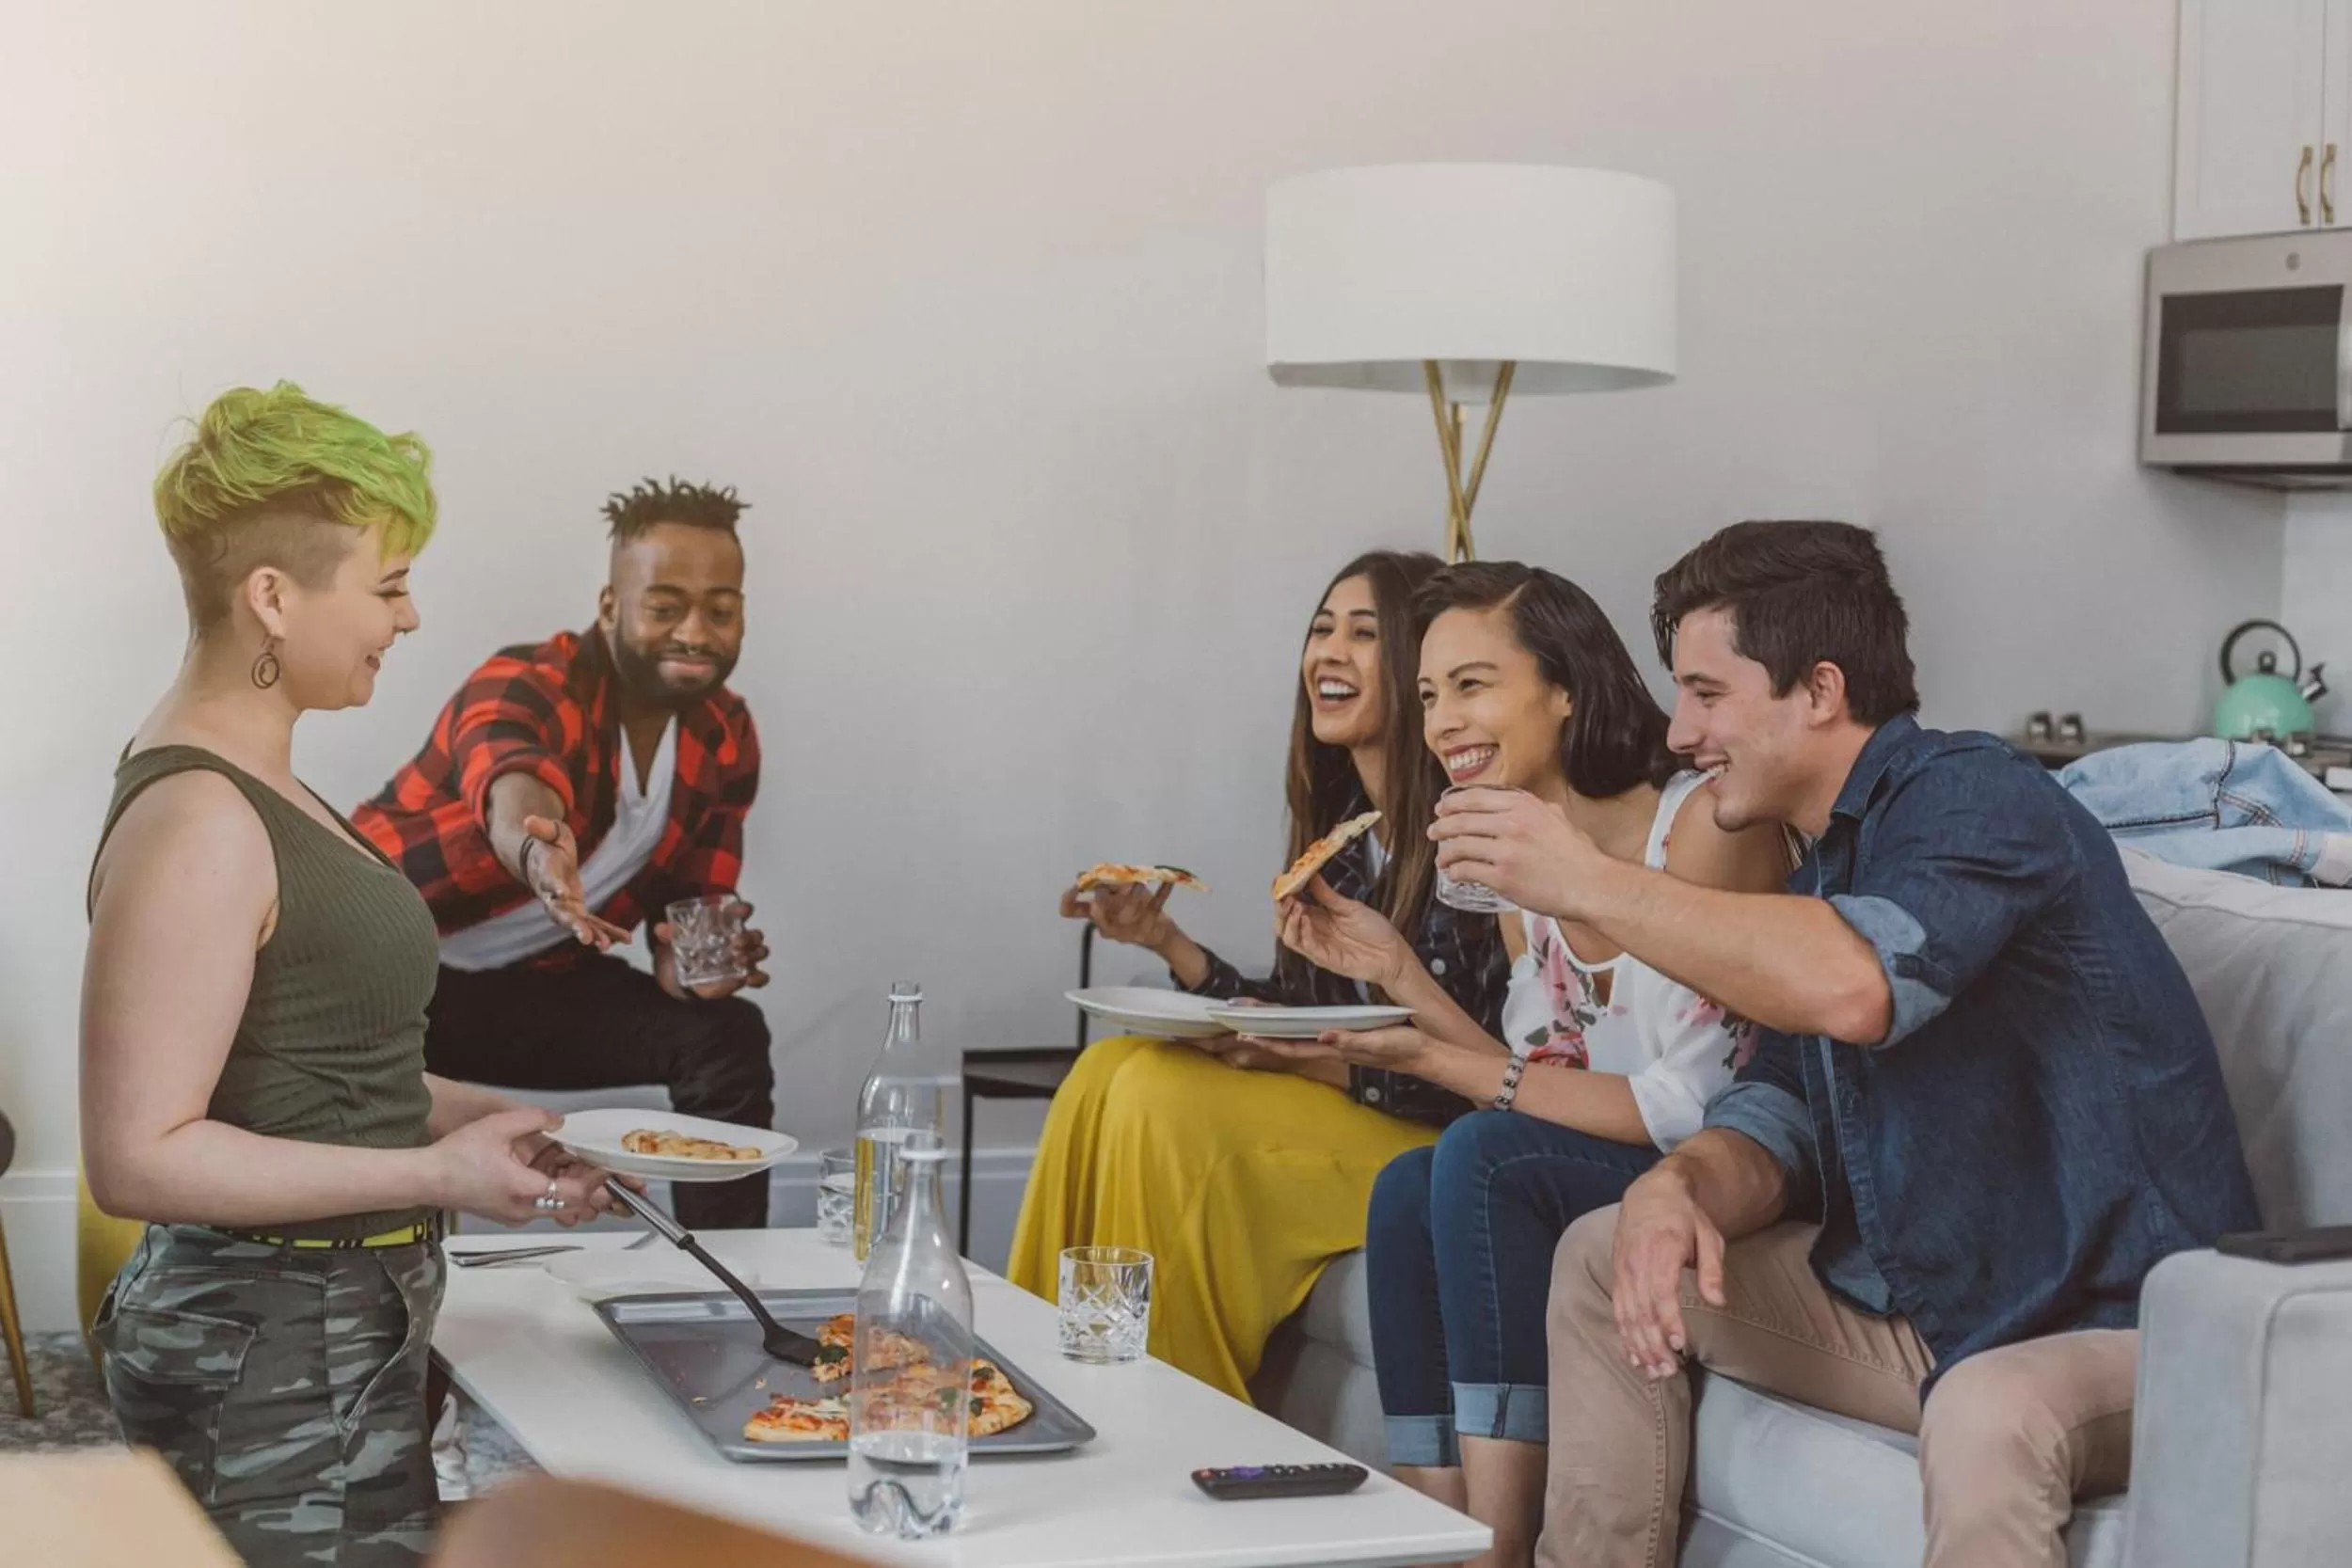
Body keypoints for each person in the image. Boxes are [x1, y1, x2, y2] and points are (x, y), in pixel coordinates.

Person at [1427, 521, 2259, 1568]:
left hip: (2128, 1322)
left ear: (1819, 690)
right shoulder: (1820, 860)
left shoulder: (1974, 796)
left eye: (1707, 693)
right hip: (1938, 1306)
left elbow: (1857, 985)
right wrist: (1679, 1187)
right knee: (1606, 1249)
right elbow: (1780, 1106)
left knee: (1987, 1409)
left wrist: (1584, 878)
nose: (1679, 732)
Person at [82, 383, 624, 1566]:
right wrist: (438, 1168)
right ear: (272, 597)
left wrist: (485, 1120)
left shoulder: (262, 788)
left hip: (333, 1330)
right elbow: (138, 1153)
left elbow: (302, 1065)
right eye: (386, 585)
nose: (412, 615)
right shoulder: (200, 815)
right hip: (266, 1354)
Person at [1257, 562, 1787, 1567]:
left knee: (1481, 1153)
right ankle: (1438, 1524)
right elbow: (1534, 1068)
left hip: (1717, 1166)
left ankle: (1495, 1548)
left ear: (1567, 687)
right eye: (1426, 693)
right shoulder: (1512, 862)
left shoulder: (1704, 831)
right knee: (1412, 1181)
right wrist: (1395, 968)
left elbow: (1687, 1102)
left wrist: (1451, 1070)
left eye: (1471, 683)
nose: (1440, 718)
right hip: (1600, 1149)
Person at [1004, 550, 1512, 1401]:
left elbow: (1488, 1069)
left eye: (1361, 633)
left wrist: (1313, 1062)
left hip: (1440, 1139)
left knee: (1158, 1101)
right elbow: (1300, 1013)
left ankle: (1166, 1408)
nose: (1329, 654)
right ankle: (1040, 1374)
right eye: (1320, 631)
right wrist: (1171, 944)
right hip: (1353, 1106)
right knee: (1106, 1071)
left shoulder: (1470, 839)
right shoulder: (1347, 838)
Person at [354, 477, 773, 1230]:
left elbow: (682, 932)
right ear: (610, 607)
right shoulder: (532, 678)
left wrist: (702, 969)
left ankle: (731, 1286)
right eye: (665, 605)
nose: (696, 631)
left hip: (533, 992)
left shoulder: (725, 735)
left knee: (728, 1036)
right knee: (377, 1104)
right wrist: (538, 848)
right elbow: (508, 769)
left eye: (721, 609)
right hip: (386, 980)